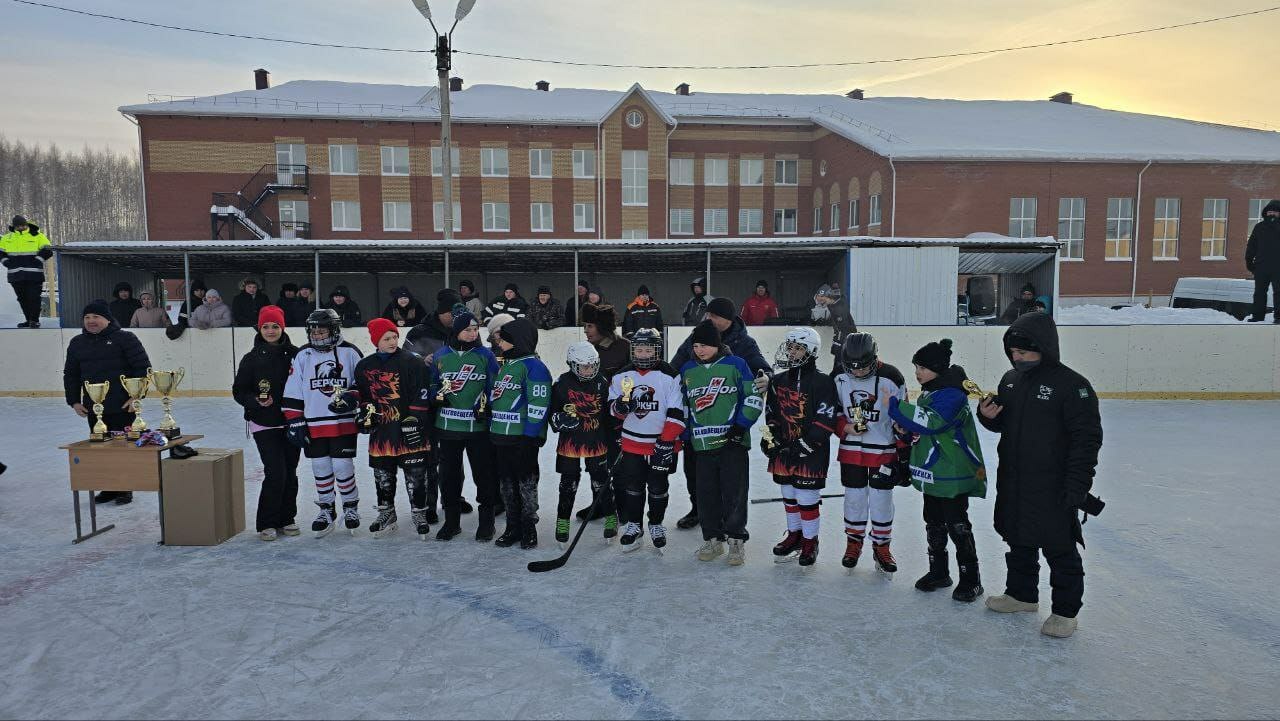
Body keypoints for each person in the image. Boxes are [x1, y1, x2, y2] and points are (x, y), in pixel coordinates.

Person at [977, 313, 1103, 639]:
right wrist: (988, 417)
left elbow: (1087, 441)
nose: (1016, 358)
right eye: (1012, 352)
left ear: (1044, 347)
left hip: (1054, 484)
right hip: (1015, 479)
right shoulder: (1010, 380)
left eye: (1023, 352)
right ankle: (1022, 595)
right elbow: (1005, 423)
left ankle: (1065, 611)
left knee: (1059, 548)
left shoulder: (1073, 386)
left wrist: (1078, 485)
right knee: (1018, 538)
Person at [889, 338, 988, 603]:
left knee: (957, 525)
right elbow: (924, 432)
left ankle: (971, 579)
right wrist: (906, 432)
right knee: (933, 522)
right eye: (916, 367)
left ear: (937, 368)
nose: (917, 373)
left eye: (922, 368)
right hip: (934, 471)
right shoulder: (930, 393)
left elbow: (934, 422)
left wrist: (897, 408)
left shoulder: (953, 395)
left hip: (953, 472)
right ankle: (939, 572)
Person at [670, 296, 771, 530]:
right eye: (707, 314)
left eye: (714, 315)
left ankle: (729, 518)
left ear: (727, 319)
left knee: (729, 477)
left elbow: (761, 367)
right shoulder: (697, 337)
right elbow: (675, 367)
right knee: (694, 471)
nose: (708, 318)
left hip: (727, 421)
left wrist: (767, 376)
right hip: (699, 421)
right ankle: (698, 509)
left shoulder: (744, 342)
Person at [334, 318, 434, 540]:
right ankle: (387, 513)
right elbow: (363, 395)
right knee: (383, 475)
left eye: (394, 337)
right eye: (386, 338)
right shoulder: (365, 366)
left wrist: (415, 418)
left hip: (410, 430)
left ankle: (419, 513)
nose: (392, 341)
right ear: (376, 341)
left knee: (416, 475)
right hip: (383, 431)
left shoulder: (413, 362)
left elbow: (422, 393)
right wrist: (357, 407)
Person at [678, 320, 763, 566]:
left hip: (732, 443)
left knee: (734, 493)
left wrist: (741, 427)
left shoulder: (736, 364)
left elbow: (752, 397)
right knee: (706, 495)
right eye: (695, 346)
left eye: (704, 345)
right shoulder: (688, 370)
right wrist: (685, 435)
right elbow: (683, 405)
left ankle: (736, 540)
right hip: (702, 445)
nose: (699, 350)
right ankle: (713, 538)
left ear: (717, 344)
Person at [282, 308, 364, 537]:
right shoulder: (303, 354)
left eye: (322, 331)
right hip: (313, 423)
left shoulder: (350, 352)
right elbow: (293, 389)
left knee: (342, 466)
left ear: (334, 329)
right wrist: (295, 420)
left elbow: (364, 382)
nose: (316, 335)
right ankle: (326, 508)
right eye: (313, 331)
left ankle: (350, 506)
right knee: (320, 466)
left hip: (343, 422)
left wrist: (352, 397)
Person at [63, 300, 152, 505]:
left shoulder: (125, 338)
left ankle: (125, 488)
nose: (91, 321)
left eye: (96, 317)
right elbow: (71, 375)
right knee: (100, 449)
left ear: (108, 319)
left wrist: (137, 396)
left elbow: (142, 368)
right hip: (94, 407)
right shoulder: (77, 343)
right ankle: (109, 487)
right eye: (87, 317)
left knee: (123, 448)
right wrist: (74, 401)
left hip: (123, 405)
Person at [762, 327, 838, 566]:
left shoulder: (824, 382)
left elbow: (826, 419)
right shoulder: (778, 380)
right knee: (788, 493)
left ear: (811, 351)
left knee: (806, 496)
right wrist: (770, 439)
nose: (791, 352)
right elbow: (771, 413)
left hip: (812, 451)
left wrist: (804, 445)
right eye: (790, 347)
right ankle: (794, 535)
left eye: (798, 348)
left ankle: (810, 540)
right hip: (783, 449)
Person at [833, 333, 908, 572]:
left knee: (881, 499)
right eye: (852, 367)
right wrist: (845, 427)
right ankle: (853, 542)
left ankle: (882, 546)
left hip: (883, 450)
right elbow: (831, 411)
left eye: (863, 367)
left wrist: (904, 452)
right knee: (854, 497)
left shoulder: (892, 377)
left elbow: (902, 414)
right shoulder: (838, 377)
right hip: (851, 451)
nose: (857, 372)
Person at [428, 306, 501, 541]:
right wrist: (436, 396)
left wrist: (487, 406)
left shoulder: (485, 355)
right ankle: (451, 522)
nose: (472, 334)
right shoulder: (441, 356)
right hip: (448, 428)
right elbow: (432, 384)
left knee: (484, 475)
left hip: (478, 428)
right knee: (448, 476)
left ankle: (487, 523)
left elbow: (495, 387)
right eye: (467, 330)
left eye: (475, 329)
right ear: (457, 331)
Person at [609, 328, 685, 552]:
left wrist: (666, 441)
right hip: (632, 442)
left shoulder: (670, 375)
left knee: (658, 485)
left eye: (648, 350)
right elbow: (612, 409)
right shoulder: (621, 375)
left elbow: (677, 412)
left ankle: (656, 523)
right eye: (639, 350)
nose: (643, 355)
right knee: (632, 485)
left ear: (657, 350)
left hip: (661, 444)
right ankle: (634, 525)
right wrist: (620, 407)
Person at [232, 305, 301, 541]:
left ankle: (287, 518)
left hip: (292, 422)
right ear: (259, 329)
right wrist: (255, 400)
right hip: (264, 423)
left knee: (290, 472)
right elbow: (239, 391)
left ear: (283, 328)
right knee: (275, 472)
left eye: (275, 326)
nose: (271, 331)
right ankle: (267, 522)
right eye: (266, 327)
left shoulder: (296, 355)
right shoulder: (251, 359)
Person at [488, 317, 552, 549]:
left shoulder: (534, 367)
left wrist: (530, 436)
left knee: (526, 483)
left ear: (518, 340)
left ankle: (528, 527)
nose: (499, 342)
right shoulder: (507, 364)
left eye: (504, 338)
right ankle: (512, 526)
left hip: (522, 438)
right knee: (506, 484)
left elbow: (539, 403)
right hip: (500, 436)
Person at [550, 341, 617, 543]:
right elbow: (552, 412)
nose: (589, 370)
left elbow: (609, 413)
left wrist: (615, 434)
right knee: (568, 483)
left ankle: (611, 517)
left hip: (596, 440)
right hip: (570, 442)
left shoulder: (602, 382)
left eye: (592, 366)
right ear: (572, 364)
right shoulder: (562, 383)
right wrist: (558, 420)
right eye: (584, 367)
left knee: (601, 481)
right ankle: (562, 520)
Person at [0, 215, 53, 328]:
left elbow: (48, 250)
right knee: (22, 299)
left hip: (34, 274)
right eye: (18, 226)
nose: (21, 227)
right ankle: (28, 320)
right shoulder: (7, 238)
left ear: (26, 224)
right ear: (14, 226)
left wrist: (38, 260)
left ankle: (34, 320)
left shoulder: (37, 236)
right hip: (15, 275)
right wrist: (6, 262)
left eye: (23, 225)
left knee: (34, 297)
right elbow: (1, 253)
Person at [811, 284, 858, 375]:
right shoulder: (835, 303)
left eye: (823, 299)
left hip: (846, 339)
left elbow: (843, 329)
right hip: (844, 338)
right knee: (838, 362)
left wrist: (837, 342)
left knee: (840, 363)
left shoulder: (838, 309)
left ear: (829, 297)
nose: (822, 302)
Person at [1245, 199, 1280, 323]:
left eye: (1274, 212)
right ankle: (1257, 316)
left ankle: (1279, 317)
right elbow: (1251, 246)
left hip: (1278, 267)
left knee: (1279, 293)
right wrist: (1249, 262)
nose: (1271, 214)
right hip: (1261, 266)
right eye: (1269, 212)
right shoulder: (1259, 227)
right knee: (1259, 292)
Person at [581, 303, 630, 379]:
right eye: (585, 326)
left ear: (603, 327)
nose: (585, 331)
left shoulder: (625, 347)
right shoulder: (584, 349)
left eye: (590, 326)